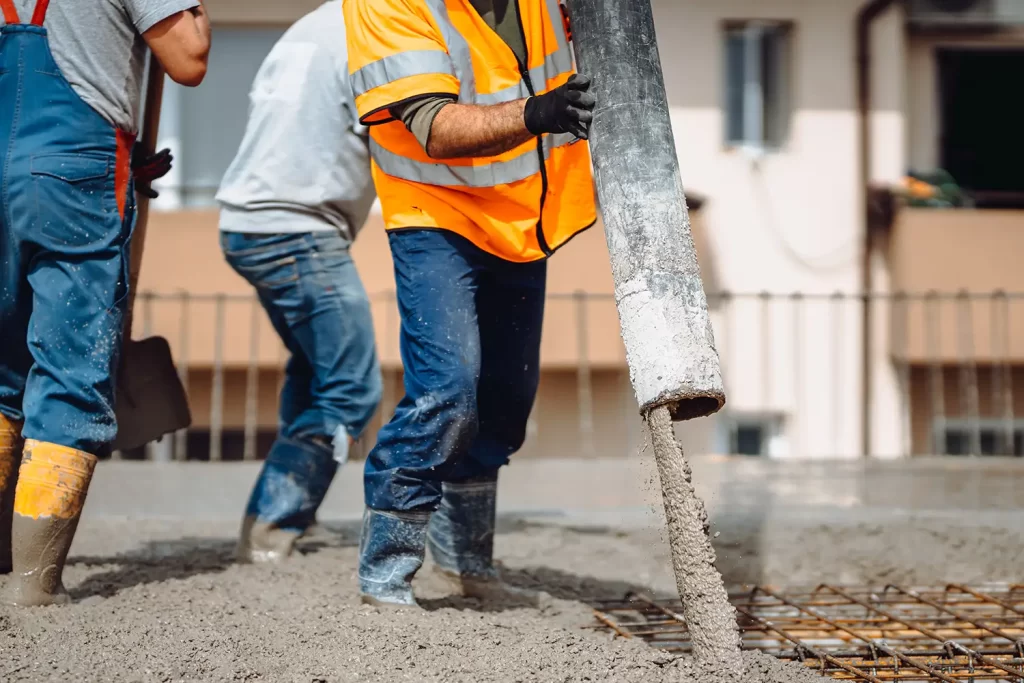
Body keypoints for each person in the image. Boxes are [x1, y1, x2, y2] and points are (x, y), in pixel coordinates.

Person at [343, 0, 597, 607]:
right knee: (448, 393)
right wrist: (540, 112)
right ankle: (386, 573)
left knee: (505, 402)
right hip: (437, 215)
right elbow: (434, 127)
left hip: (521, 216)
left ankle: (466, 565)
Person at [0, 0, 210, 606]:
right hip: (71, 168)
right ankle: (32, 583)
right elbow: (187, 56)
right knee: (69, 369)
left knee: (1, 368)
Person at [216, 0, 382, 564]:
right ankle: (270, 529)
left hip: (252, 222)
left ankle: (289, 516)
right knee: (353, 387)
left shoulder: (314, 25)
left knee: (317, 372)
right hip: (296, 230)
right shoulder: (378, 31)